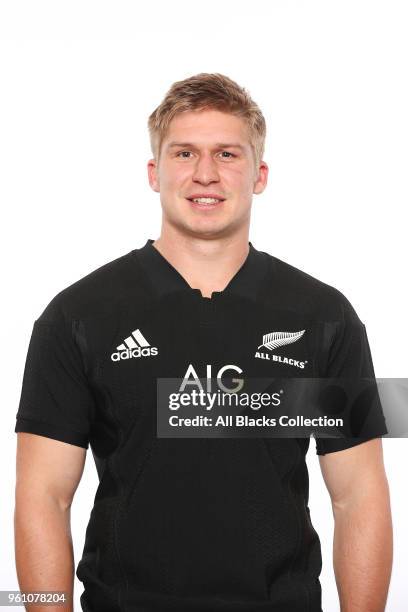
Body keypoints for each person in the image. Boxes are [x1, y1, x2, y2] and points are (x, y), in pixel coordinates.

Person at [14, 73, 392, 612]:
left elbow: (359, 497)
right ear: (154, 172)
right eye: (185, 152)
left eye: (228, 154)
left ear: (259, 175)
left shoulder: (324, 318)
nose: (205, 174)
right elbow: (42, 499)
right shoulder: (77, 317)